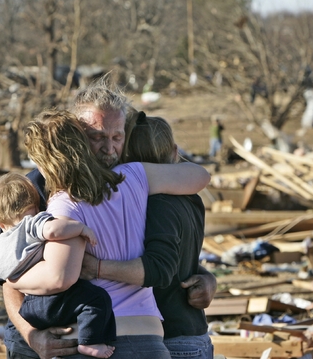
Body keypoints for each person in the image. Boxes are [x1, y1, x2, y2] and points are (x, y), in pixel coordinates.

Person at [2, 78, 216, 359]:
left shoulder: (132, 179)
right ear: (76, 134)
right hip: (58, 336)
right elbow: (8, 274)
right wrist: (32, 335)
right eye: (97, 137)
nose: (109, 148)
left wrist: (205, 276)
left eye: (117, 137)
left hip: (138, 334)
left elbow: (164, 255)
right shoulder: (45, 189)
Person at [81, 112, 214, 359]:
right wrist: (207, 276)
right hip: (193, 333)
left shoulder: (154, 204)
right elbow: (182, 257)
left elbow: (161, 267)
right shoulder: (191, 197)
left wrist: (96, 268)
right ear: (174, 152)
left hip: (173, 339)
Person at [0, 173, 116, 358]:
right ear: (34, 207)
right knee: (96, 299)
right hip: (51, 301)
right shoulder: (31, 223)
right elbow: (53, 230)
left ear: (0, 223)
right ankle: (90, 342)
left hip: (28, 308)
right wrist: (80, 228)